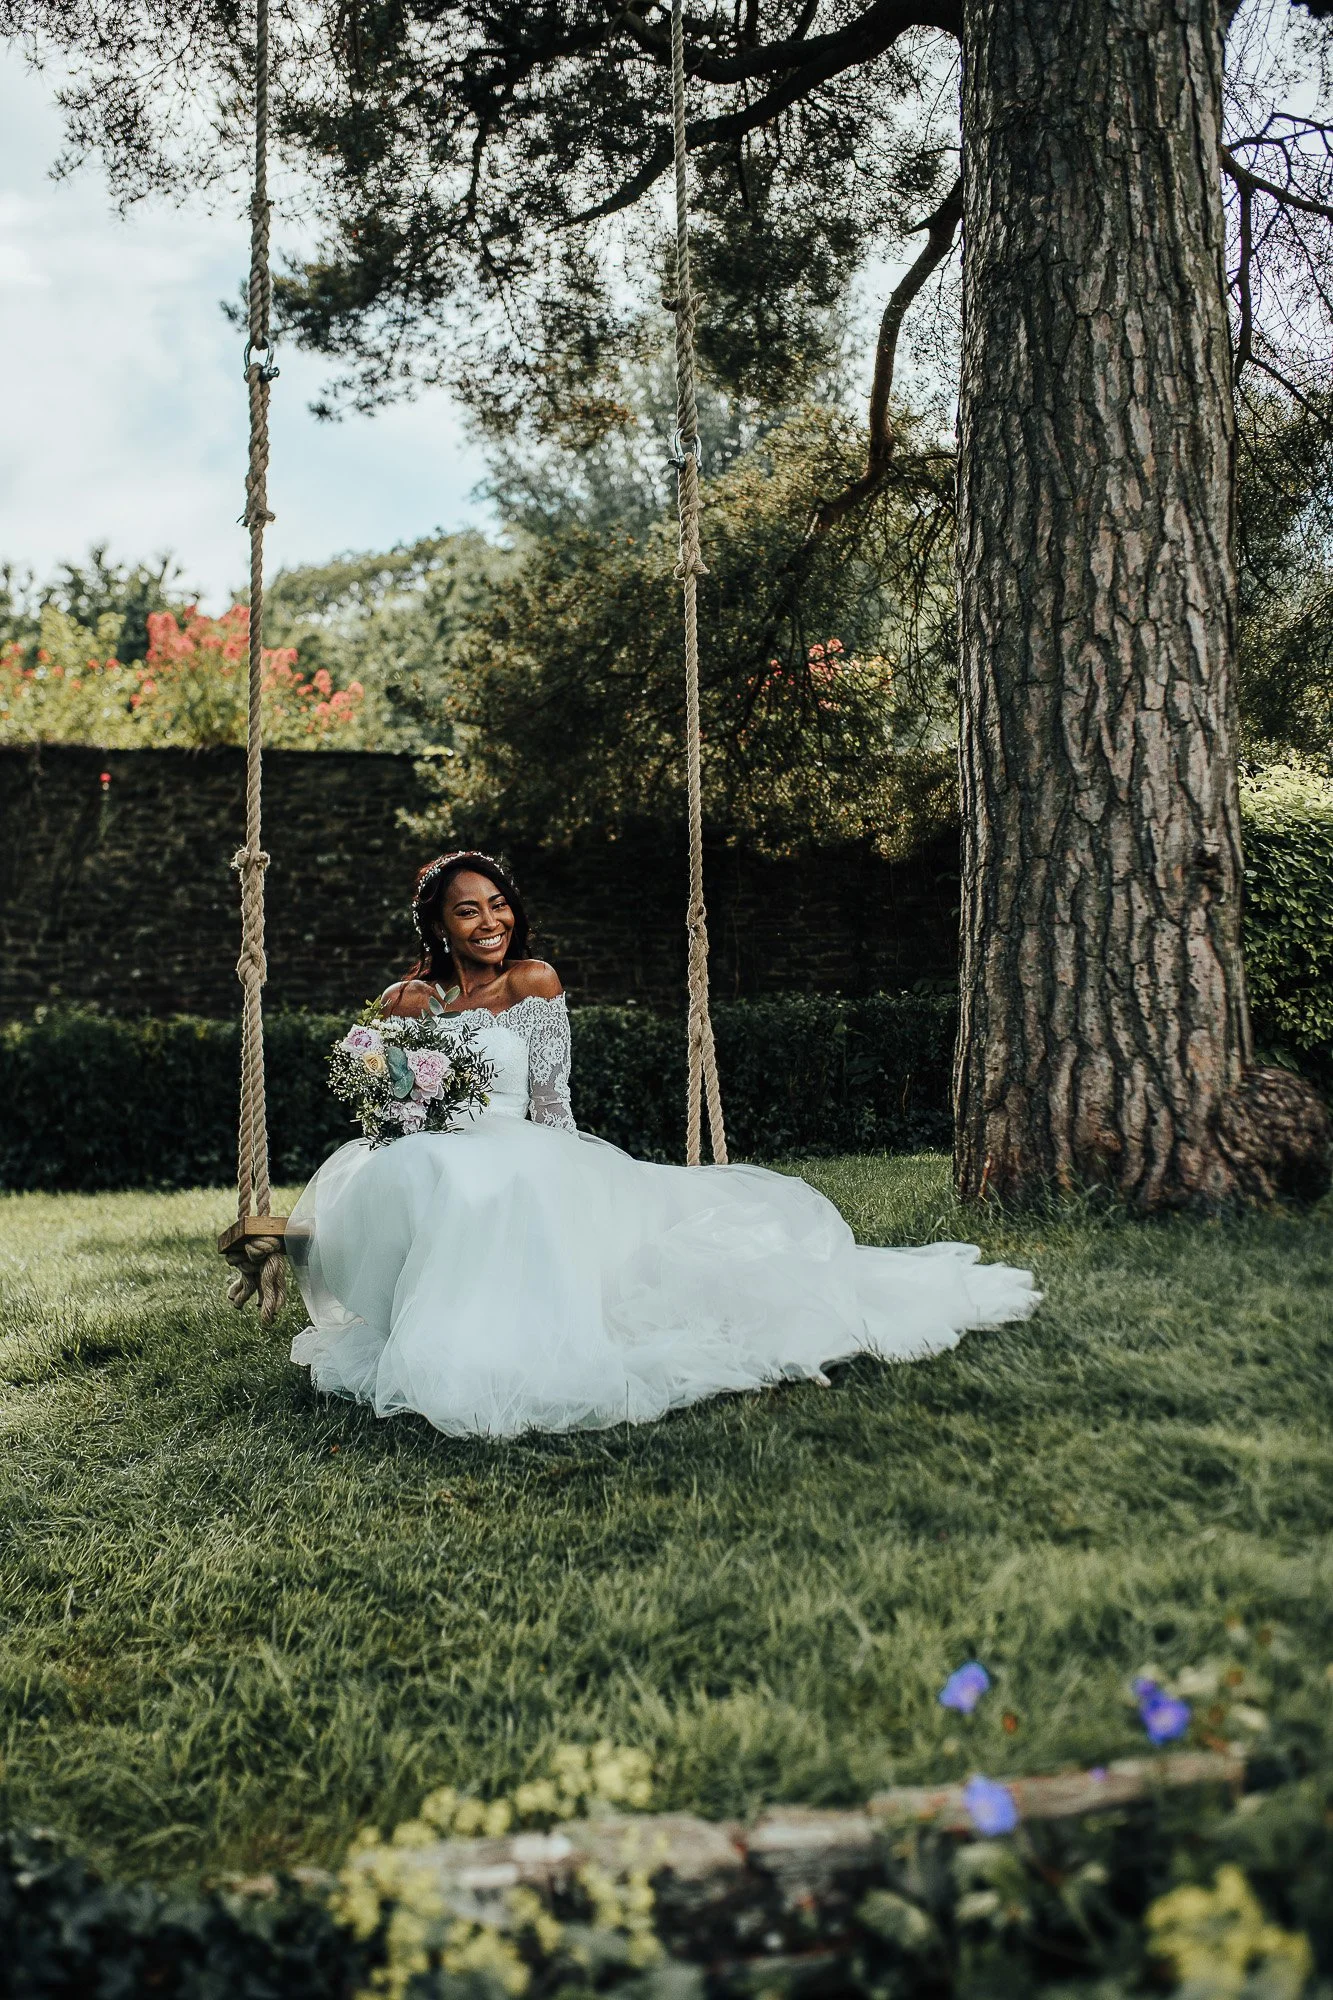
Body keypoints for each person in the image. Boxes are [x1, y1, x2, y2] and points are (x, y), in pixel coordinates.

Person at [288, 851, 1038, 1437]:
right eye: (466, 912)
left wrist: (568, 1167)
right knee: (422, 1170)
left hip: (521, 1142)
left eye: (497, 904)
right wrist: (404, 1103)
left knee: (489, 1184)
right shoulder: (407, 1000)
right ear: (438, 926)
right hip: (430, 1145)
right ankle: (429, 1322)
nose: (489, 922)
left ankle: (488, 1343)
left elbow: (551, 1097)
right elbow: (385, 1096)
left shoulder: (533, 981)